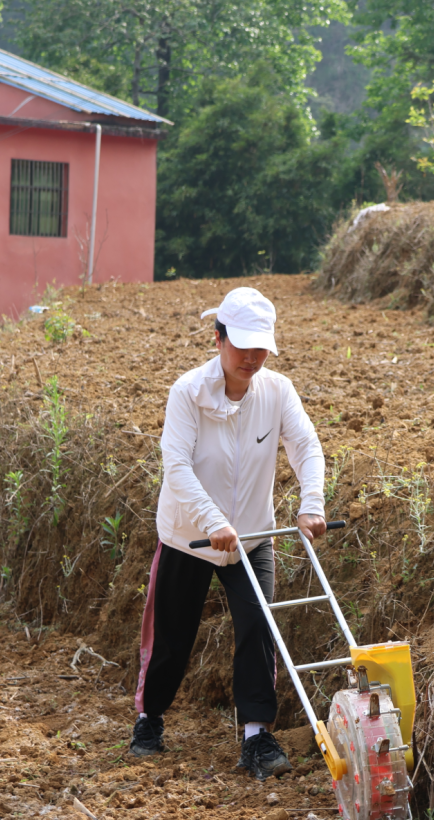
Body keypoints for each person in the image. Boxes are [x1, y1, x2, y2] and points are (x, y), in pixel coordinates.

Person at [128, 287, 327, 781]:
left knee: (259, 629)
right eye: (242, 347)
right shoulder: (187, 393)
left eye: (261, 348)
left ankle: (256, 737)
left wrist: (312, 503)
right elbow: (175, 465)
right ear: (218, 339)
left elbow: (305, 445)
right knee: (171, 636)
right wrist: (213, 521)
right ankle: (149, 720)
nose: (252, 358)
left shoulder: (277, 391)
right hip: (188, 537)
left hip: (253, 538)